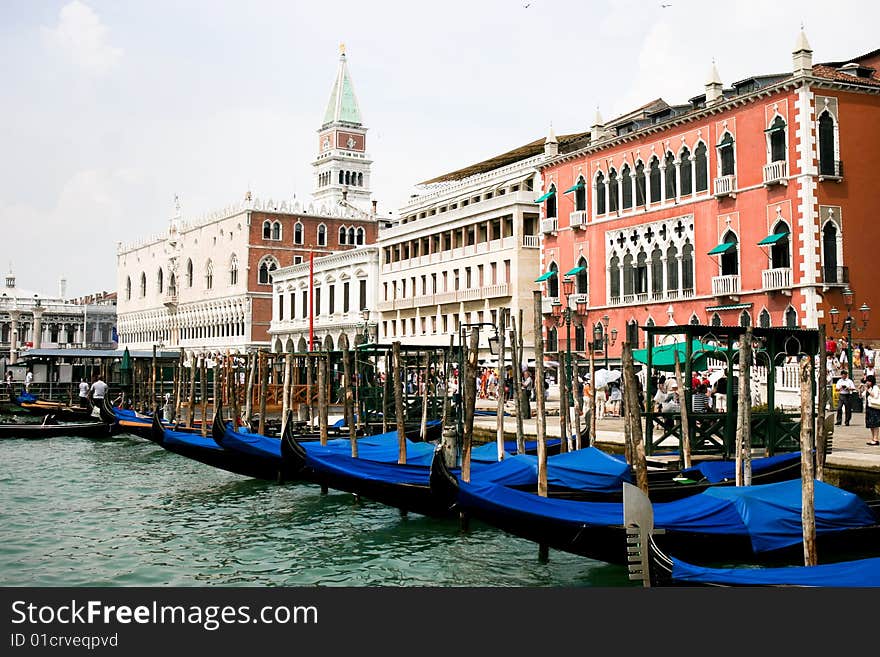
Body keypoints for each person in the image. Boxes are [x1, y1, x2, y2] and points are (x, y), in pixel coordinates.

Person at [863, 374, 880, 446]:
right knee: (871, 424)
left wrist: (868, 390)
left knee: (875, 424)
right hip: (869, 408)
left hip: (874, 408)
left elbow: (875, 396)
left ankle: (876, 439)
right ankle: (873, 438)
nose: (867, 382)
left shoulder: (875, 387)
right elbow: (862, 395)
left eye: (868, 381)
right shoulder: (869, 388)